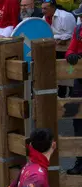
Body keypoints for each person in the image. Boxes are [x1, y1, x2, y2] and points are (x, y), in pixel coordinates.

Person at [65, 11, 82, 175]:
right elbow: (70, 49)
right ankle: (80, 162)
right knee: (77, 121)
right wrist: (71, 56)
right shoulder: (78, 30)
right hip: (80, 80)